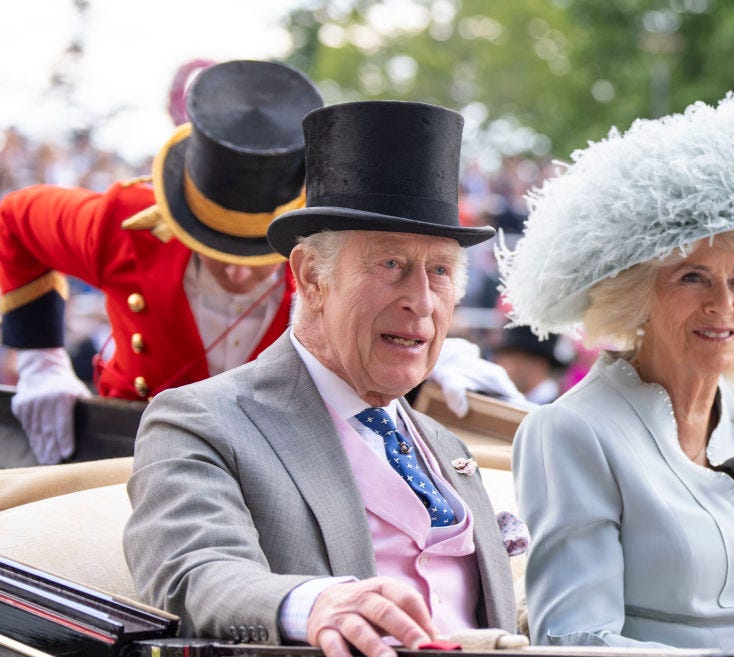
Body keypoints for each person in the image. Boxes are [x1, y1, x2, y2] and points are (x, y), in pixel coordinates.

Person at [124, 100, 517, 657]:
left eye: (439, 272)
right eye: (390, 263)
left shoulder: (443, 443)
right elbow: (194, 575)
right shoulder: (200, 419)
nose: (422, 301)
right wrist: (315, 605)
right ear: (310, 276)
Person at [0, 59, 521, 465]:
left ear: (303, 256)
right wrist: (40, 357)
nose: (238, 273)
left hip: (273, 459)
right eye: (213, 247)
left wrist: (417, 364)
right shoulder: (124, 223)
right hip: (125, 451)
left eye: (258, 254)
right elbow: (14, 222)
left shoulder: (334, 261)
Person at [498, 90, 734, 651]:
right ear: (637, 296)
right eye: (693, 276)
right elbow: (577, 642)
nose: (723, 305)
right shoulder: (572, 432)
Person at [492, 325, 567, 405]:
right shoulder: (500, 399)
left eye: (510, 358)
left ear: (538, 364)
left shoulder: (557, 411)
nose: (500, 363)